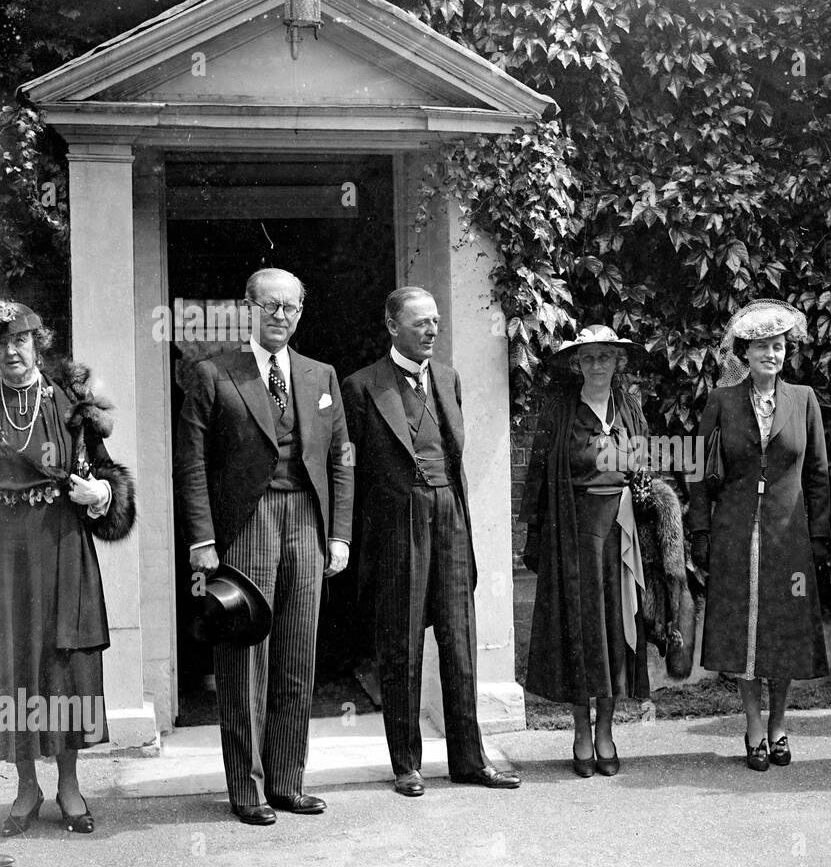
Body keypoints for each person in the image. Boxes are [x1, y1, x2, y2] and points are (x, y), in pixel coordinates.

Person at [174, 269, 353, 825]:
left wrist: (339, 534)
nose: (281, 316)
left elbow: (342, 459)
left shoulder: (320, 374)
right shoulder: (212, 373)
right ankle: (245, 787)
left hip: (306, 518)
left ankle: (286, 780)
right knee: (245, 655)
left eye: (291, 308)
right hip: (246, 523)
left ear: (302, 312)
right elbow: (192, 463)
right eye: (270, 306)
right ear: (249, 308)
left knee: (299, 652)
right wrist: (202, 540)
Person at [342, 287, 520, 796]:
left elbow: (452, 454)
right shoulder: (362, 387)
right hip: (399, 522)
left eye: (436, 321)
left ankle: (469, 759)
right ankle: (407, 764)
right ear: (392, 324)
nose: (431, 330)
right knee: (400, 645)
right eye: (420, 322)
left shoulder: (448, 379)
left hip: (450, 515)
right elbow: (352, 473)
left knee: (460, 641)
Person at [1, 300, 136, 838]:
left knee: (64, 660)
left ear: (38, 345)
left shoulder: (68, 403)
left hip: (61, 544)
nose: (11, 352)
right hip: (6, 552)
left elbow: (105, 474)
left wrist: (101, 492)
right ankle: (26, 786)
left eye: (20, 342)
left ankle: (70, 784)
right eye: (1, 345)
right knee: (15, 662)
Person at [687, 300, 831, 771]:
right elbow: (697, 471)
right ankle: (752, 728)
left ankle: (780, 726)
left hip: (788, 534)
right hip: (734, 531)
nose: (772, 353)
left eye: (779, 345)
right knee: (743, 630)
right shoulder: (721, 401)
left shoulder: (804, 399)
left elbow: (818, 473)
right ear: (744, 353)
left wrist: (820, 537)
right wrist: (702, 529)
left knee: (783, 628)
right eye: (762, 346)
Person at [520, 325, 650, 777]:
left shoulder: (630, 409)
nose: (597, 364)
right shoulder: (560, 412)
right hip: (572, 533)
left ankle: (607, 731)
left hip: (620, 533)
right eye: (589, 357)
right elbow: (538, 477)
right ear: (578, 364)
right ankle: (579, 730)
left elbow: (644, 470)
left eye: (605, 356)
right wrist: (536, 538)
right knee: (579, 628)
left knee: (614, 627)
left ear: (619, 362)